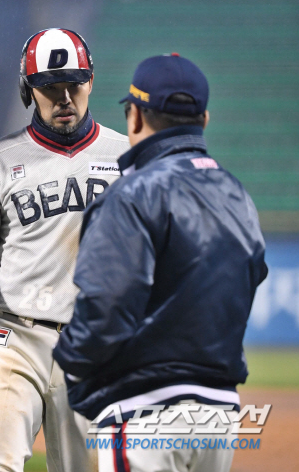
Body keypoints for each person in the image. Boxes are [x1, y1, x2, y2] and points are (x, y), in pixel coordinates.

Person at [53, 54, 269, 472]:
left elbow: (106, 306)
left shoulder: (131, 195)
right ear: (204, 120)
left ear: (134, 116)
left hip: (143, 408)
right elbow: (251, 276)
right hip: (220, 413)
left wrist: (70, 361)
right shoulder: (237, 195)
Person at [0, 28, 130, 472]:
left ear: (90, 82)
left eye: (74, 84)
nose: (65, 97)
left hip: (95, 343)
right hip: (15, 337)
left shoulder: (128, 157)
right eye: (50, 87)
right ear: (28, 90)